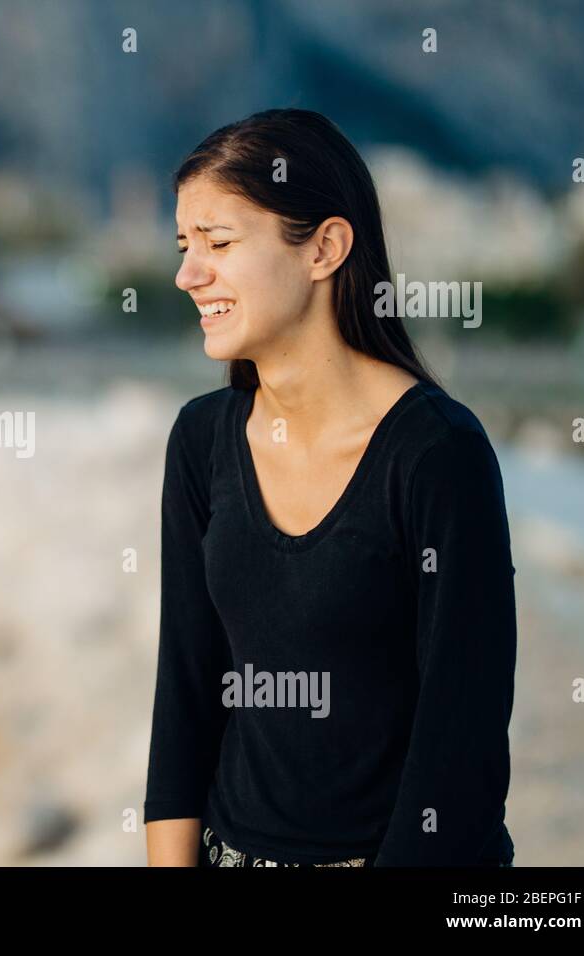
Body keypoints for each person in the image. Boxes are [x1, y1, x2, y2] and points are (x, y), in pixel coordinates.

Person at [143, 109, 516, 867]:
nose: (188, 274)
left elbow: (461, 749)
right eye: (184, 247)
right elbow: (184, 692)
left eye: (216, 243)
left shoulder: (439, 453)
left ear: (325, 247)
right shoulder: (200, 440)